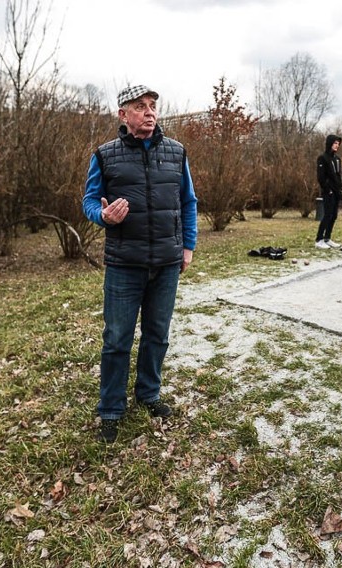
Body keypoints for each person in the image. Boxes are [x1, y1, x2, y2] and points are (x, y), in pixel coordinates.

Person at [83, 85, 198, 444]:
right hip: (124, 264)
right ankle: (111, 409)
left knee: (157, 335)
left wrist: (188, 246)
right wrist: (103, 216)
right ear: (123, 114)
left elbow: (188, 201)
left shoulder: (177, 153)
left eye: (153, 106)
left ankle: (148, 394)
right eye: (140, 107)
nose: (149, 113)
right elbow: (89, 201)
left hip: (166, 263)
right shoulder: (104, 156)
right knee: (117, 339)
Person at [315, 135, 342, 249]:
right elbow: (321, 177)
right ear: (330, 143)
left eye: (338, 144)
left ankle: (327, 237)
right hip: (328, 192)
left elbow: (338, 175)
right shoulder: (322, 158)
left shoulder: (337, 159)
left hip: (336, 191)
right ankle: (319, 239)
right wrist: (328, 190)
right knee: (327, 215)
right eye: (335, 143)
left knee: (334, 215)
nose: (337, 145)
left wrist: (340, 189)